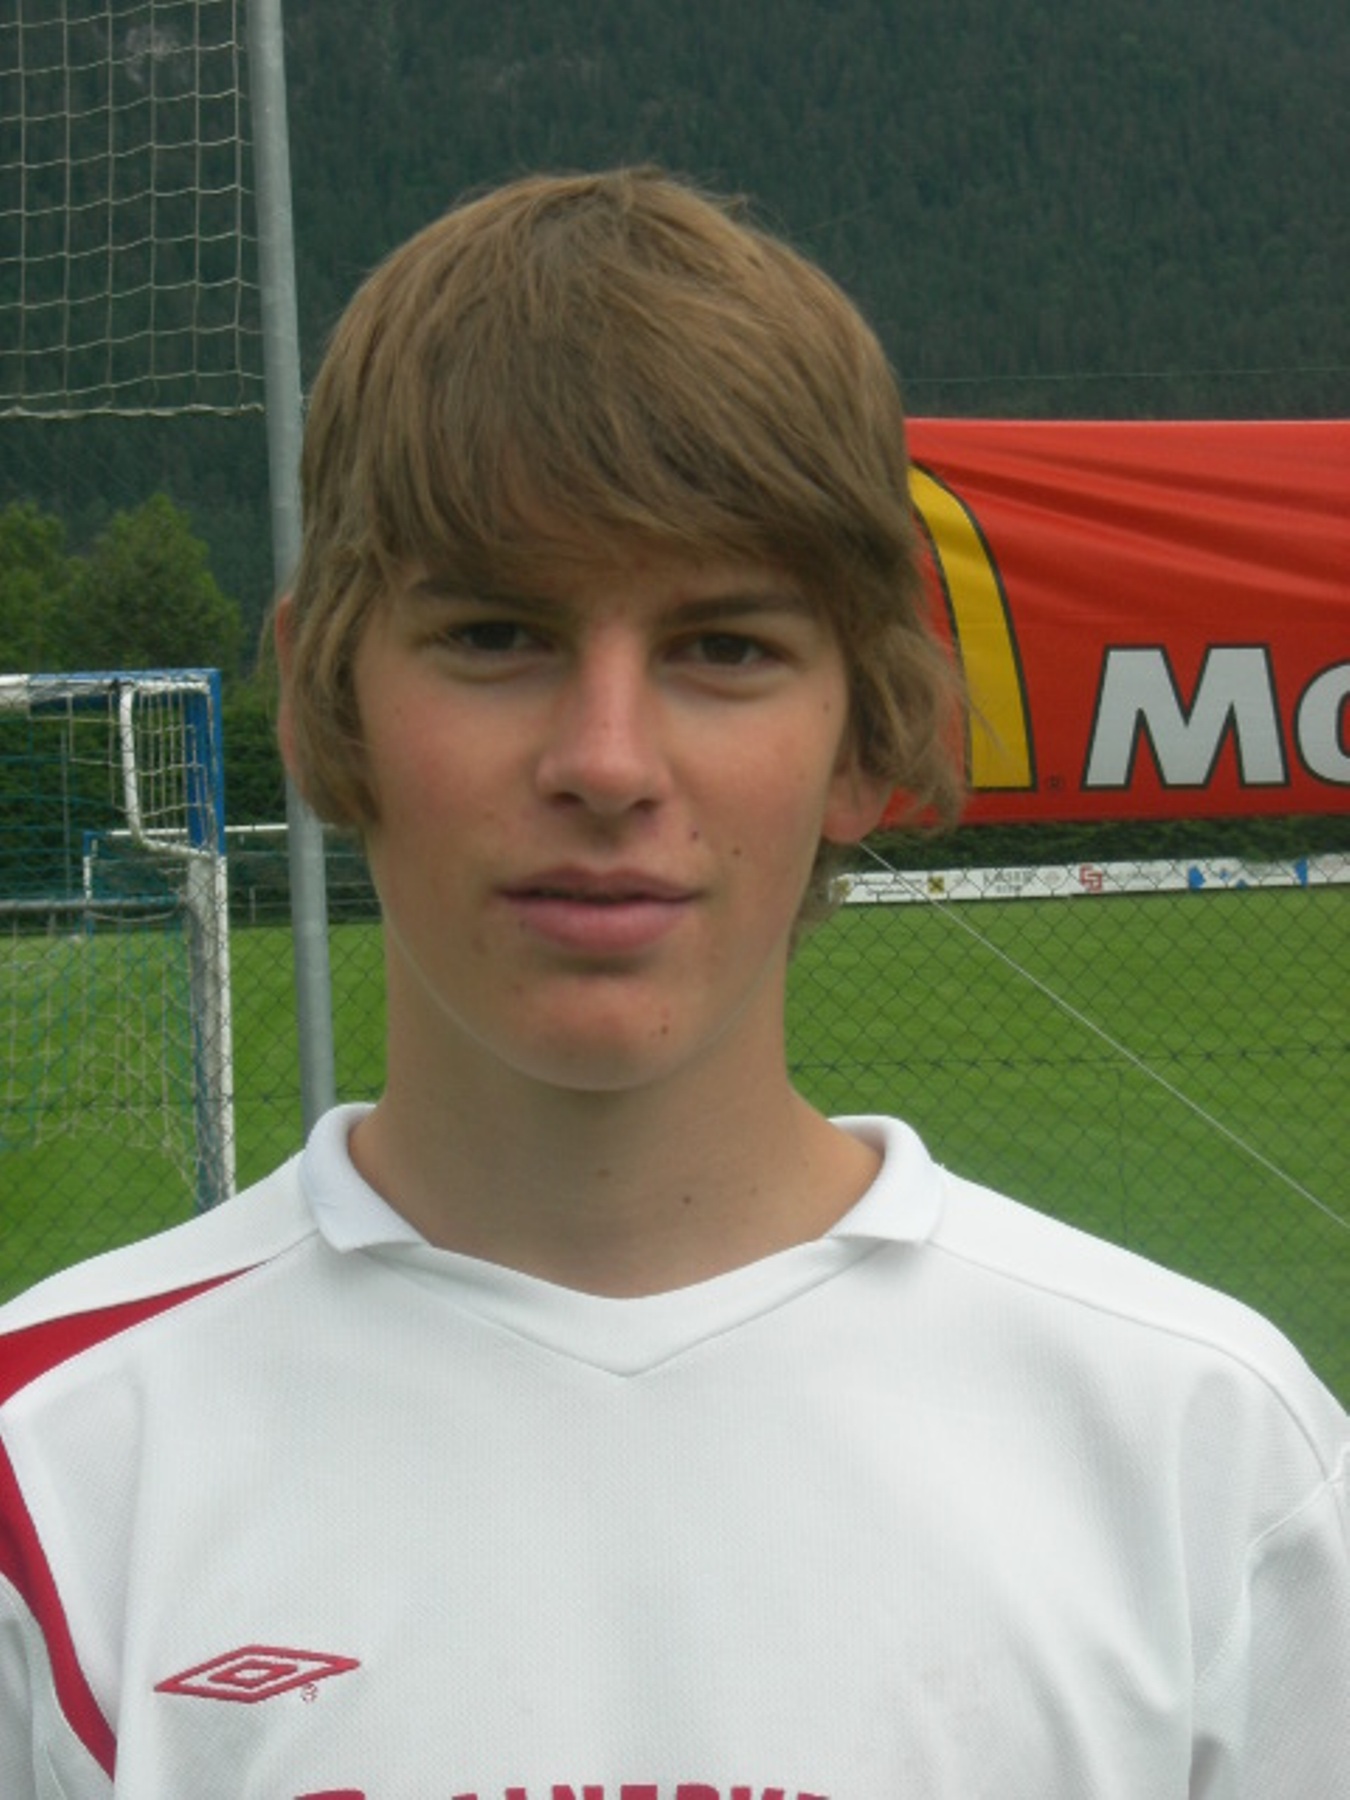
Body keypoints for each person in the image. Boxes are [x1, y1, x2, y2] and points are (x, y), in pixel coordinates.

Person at [1, 168, 1345, 1800]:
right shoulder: (53, 1469)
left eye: (723, 648)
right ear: (320, 705)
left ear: (864, 739)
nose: (606, 760)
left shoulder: (1203, 1453)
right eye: (495, 635)